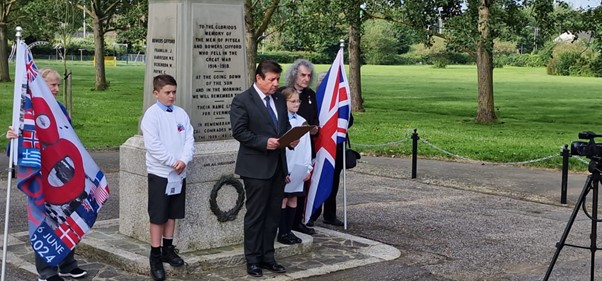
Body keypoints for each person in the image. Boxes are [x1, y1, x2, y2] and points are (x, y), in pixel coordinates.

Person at [6, 68, 87, 281]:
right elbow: (13, 151)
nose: (57, 89)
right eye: (53, 85)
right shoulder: (27, 112)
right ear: (41, 86)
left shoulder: (59, 108)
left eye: (58, 85)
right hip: (39, 175)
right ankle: (47, 271)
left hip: (63, 174)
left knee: (66, 218)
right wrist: (13, 138)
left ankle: (67, 264)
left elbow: (69, 140)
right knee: (44, 223)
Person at [230, 60, 298, 278]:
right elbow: (239, 132)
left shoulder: (278, 99)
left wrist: (290, 139)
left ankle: (268, 257)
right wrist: (263, 142)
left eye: (277, 79)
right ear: (259, 78)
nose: (276, 84)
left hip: (277, 166)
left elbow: (284, 127)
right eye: (271, 79)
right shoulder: (242, 100)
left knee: (273, 215)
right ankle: (253, 260)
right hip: (256, 167)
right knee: (256, 216)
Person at [140, 74, 195, 281]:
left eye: (174, 92)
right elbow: (153, 145)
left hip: (179, 172)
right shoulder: (152, 116)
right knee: (158, 215)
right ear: (156, 93)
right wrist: (173, 162)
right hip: (161, 173)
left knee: (172, 213)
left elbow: (189, 138)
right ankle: (155, 255)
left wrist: (184, 160)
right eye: (167, 93)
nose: (172, 96)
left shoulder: (181, 113)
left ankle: (168, 248)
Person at [278, 59, 319, 236]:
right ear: (294, 74)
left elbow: (314, 120)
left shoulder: (310, 95)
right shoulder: (282, 94)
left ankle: (294, 225)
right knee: (283, 197)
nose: (306, 78)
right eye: (303, 75)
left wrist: (313, 128)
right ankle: (282, 230)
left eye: (309, 75)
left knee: (296, 195)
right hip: (285, 160)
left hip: (303, 152)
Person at [307, 72, 354, 228]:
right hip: (319, 147)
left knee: (333, 184)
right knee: (317, 180)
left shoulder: (339, 100)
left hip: (336, 148)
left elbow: (349, 121)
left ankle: (330, 214)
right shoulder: (315, 99)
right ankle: (312, 213)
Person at [278, 88, 313, 245]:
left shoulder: (302, 121)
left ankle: (289, 230)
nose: (297, 104)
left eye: (298, 101)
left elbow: (307, 147)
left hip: (299, 167)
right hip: (287, 168)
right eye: (292, 101)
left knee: (294, 199)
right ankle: (281, 232)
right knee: (283, 200)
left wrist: (307, 168)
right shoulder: (280, 121)